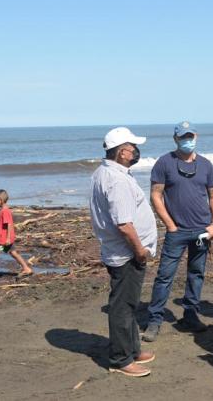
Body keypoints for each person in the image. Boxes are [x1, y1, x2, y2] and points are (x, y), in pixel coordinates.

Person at [142, 121, 213, 342]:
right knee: (164, 276)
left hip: (202, 230)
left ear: (196, 136)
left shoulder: (205, 165)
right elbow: (155, 195)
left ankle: (190, 315)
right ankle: (155, 319)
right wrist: (170, 225)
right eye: (183, 137)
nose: (187, 140)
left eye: (190, 136)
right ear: (176, 139)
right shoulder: (164, 163)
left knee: (196, 274)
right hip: (177, 232)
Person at [89, 127, 158, 377]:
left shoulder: (107, 173)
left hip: (122, 250)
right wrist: (139, 251)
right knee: (123, 306)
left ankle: (132, 349)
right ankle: (120, 359)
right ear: (121, 153)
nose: (136, 152)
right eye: (133, 148)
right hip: (126, 253)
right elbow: (124, 225)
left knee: (129, 303)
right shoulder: (116, 179)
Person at [0, 189, 32, 280]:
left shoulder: (5, 211)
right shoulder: (3, 210)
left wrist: (7, 238)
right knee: (13, 252)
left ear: (0, 200)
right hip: (4, 239)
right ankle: (26, 269)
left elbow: (9, 225)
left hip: (3, 240)